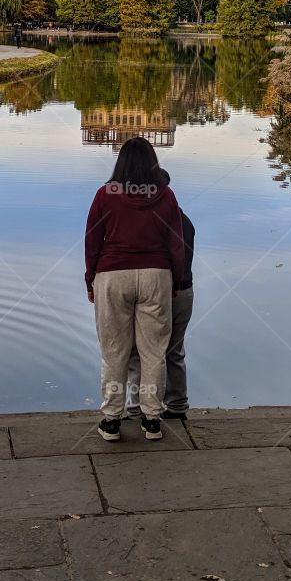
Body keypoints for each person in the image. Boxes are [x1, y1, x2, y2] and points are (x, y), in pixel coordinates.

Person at [84, 137, 185, 443]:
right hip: (156, 275)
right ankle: (152, 419)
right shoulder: (165, 196)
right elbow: (176, 244)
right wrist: (176, 282)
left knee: (114, 350)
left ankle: (112, 419)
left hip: (113, 274)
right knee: (153, 351)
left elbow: (92, 240)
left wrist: (91, 280)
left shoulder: (106, 194)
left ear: (121, 163)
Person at [125, 168, 195, 421]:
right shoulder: (183, 220)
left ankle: (135, 408)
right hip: (183, 291)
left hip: (165, 291)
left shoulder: (155, 223)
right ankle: (177, 406)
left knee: (137, 350)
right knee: (173, 350)